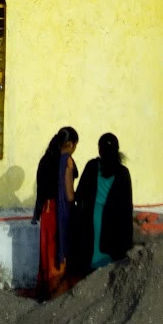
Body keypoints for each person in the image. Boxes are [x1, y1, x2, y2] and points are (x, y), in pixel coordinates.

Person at [73, 132, 134, 275]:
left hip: (92, 218)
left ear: (99, 149)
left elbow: (80, 193)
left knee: (91, 256)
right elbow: (127, 206)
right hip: (113, 222)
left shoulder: (92, 166)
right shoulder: (123, 172)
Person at [32, 126, 79, 299]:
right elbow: (68, 194)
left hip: (46, 211)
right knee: (59, 251)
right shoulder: (66, 160)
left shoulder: (45, 159)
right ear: (69, 144)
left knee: (47, 253)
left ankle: (45, 292)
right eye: (75, 145)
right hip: (59, 213)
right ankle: (57, 294)